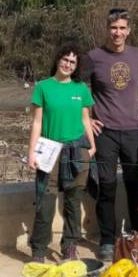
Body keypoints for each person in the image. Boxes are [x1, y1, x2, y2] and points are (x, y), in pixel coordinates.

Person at [81, 8, 138, 261]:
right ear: (107, 29)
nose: (118, 32)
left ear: (129, 30)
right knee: (106, 186)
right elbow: (76, 87)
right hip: (105, 132)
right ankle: (106, 238)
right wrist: (87, 118)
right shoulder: (94, 57)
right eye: (114, 28)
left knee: (136, 185)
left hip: (133, 131)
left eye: (122, 28)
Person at [27, 43, 97, 262]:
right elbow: (37, 122)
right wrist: (32, 152)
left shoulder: (81, 89)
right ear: (58, 60)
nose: (68, 64)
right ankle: (38, 249)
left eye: (72, 62)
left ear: (77, 66)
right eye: (65, 59)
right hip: (49, 149)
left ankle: (70, 246)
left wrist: (92, 146)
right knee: (45, 200)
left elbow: (86, 119)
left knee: (73, 202)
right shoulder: (43, 87)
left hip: (78, 149)